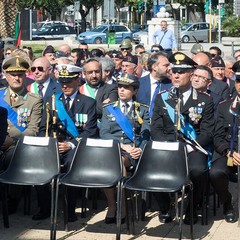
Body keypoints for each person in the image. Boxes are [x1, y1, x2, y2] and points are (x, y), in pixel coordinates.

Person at [151, 52, 214, 225]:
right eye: (173, 70)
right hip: (168, 148)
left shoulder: (204, 100)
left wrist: (190, 147)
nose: (176, 74)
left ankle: (193, 206)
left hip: (192, 148)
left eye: (181, 71)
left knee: (198, 171)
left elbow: (207, 131)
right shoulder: (161, 98)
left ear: (191, 74)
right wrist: (169, 146)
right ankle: (165, 206)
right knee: (152, 169)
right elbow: (155, 128)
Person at [36, 64, 98, 222]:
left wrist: (70, 145)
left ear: (78, 80)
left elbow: (90, 132)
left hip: (75, 148)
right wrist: (51, 144)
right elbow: (44, 127)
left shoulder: (88, 103)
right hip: (54, 145)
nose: (65, 85)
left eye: (69, 81)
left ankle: (69, 209)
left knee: (71, 164)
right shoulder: (51, 101)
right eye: (62, 81)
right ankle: (45, 208)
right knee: (39, 163)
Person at [100, 73, 150, 224]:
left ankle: (120, 206)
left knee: (118, 161)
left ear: (134, 91)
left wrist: (139, 149)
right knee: (108, 162)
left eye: (126, 88)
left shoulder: (142, 110)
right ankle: (112, 204)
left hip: (131, 154)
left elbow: (146, 134)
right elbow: (104, 133)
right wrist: (122, 145)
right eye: (120, 87)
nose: (121, 90)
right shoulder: (109, 108)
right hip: (114, 149)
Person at [0, 55, 43, 213]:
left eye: (20, 74)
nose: (16, 78)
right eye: (13, 74)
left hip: (18, 145)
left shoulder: (34, 100)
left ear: (25, 76)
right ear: (6, 76)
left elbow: (32, 130)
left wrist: (11, 139)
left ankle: (13, 198)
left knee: (14, 157)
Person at [209, 60, 240, 223]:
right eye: (239, 81)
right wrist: (230, 152)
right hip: (230, 151)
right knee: (216, 173)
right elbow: (217, 136)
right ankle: (227, 203)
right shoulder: (224, 106)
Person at [137, 52, 172, 118]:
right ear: (154, 67)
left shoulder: (171, 86)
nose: (169, 68)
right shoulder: (139, 84)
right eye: (165, 65)